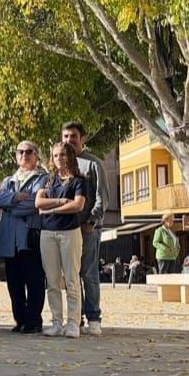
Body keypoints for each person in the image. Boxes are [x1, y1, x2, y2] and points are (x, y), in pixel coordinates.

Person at [36, 141, 89, 338]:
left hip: (69, 232)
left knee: (72, 278)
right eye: (56, 155)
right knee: (52, 280)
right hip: (47, 233)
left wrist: (53, 210)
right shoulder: (48, 180)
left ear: (70, 157)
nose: (59, 159)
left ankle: (73, 322)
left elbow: (78, 205)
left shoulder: (79, 180)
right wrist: (60, 201)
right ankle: (56, 322)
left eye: (63, 155)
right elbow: (38, 202)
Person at [0, 142, 46, 332]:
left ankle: (33, 321)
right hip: (10, 240)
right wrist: (15, 198)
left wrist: (10, 208)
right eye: (20, 152)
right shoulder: (8, 180)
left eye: (29, 151)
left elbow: (34, 203)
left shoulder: (43, 178)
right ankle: (20, 320)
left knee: (34, 281)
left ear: (36, 155)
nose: (24, 155)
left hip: (29, 239)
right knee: (14, 283)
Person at [60, 121, 107, 335]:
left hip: (88, 229)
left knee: (88, 273)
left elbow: (101, 197)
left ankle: (93, 317)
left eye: (73, 136)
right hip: (66, 230)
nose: (69, 140)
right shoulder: (60, 167)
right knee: (71, 275)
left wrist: (92, 221)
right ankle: (74, 319)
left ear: (82, 138)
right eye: (66, 137)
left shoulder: (93, 164)